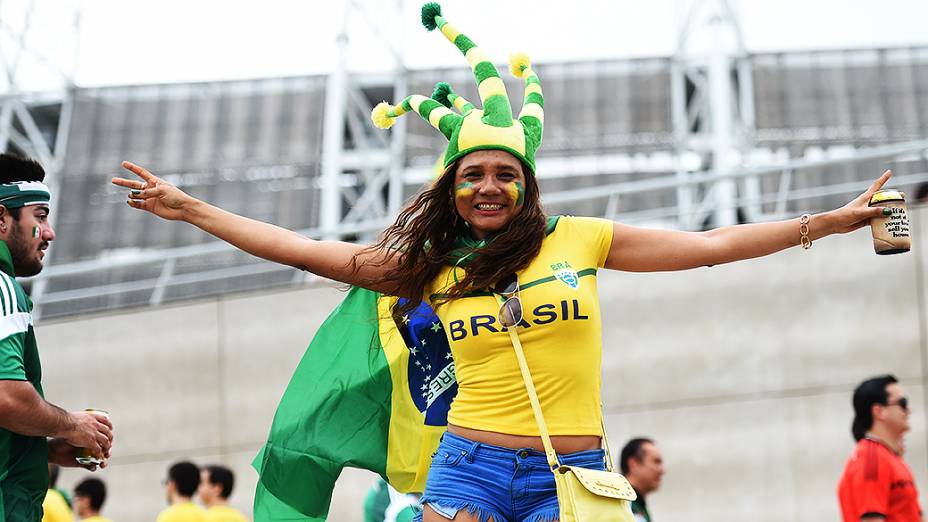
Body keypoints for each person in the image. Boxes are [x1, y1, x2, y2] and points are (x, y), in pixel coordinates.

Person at [113, 3, 896, 520]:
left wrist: (825, 222)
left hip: (572, 473)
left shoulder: (579, 240)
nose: (489, 185)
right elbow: (312, 253)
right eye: (472, 174)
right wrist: (193, 210)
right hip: (468, 470)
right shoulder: (430, 267)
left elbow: (715, 245)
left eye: (504, 173)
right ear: (453, 188)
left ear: (526, 184)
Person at [0, 153, 113, 521]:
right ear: (2, 219)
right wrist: (72, 424)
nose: (49, 233)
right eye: (40, 216)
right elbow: (6, 396)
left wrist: (40, 446)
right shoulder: (2, 287)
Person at [838, 375, 921, 522]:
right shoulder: (871, 458)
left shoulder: (888, 456)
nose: (908, 410)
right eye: (903, 403)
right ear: (879, 411)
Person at [619, 438, 664, 522]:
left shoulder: (637, 504)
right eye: (656, 462)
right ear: (633, 464)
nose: (662, 470)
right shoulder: (621, 505)